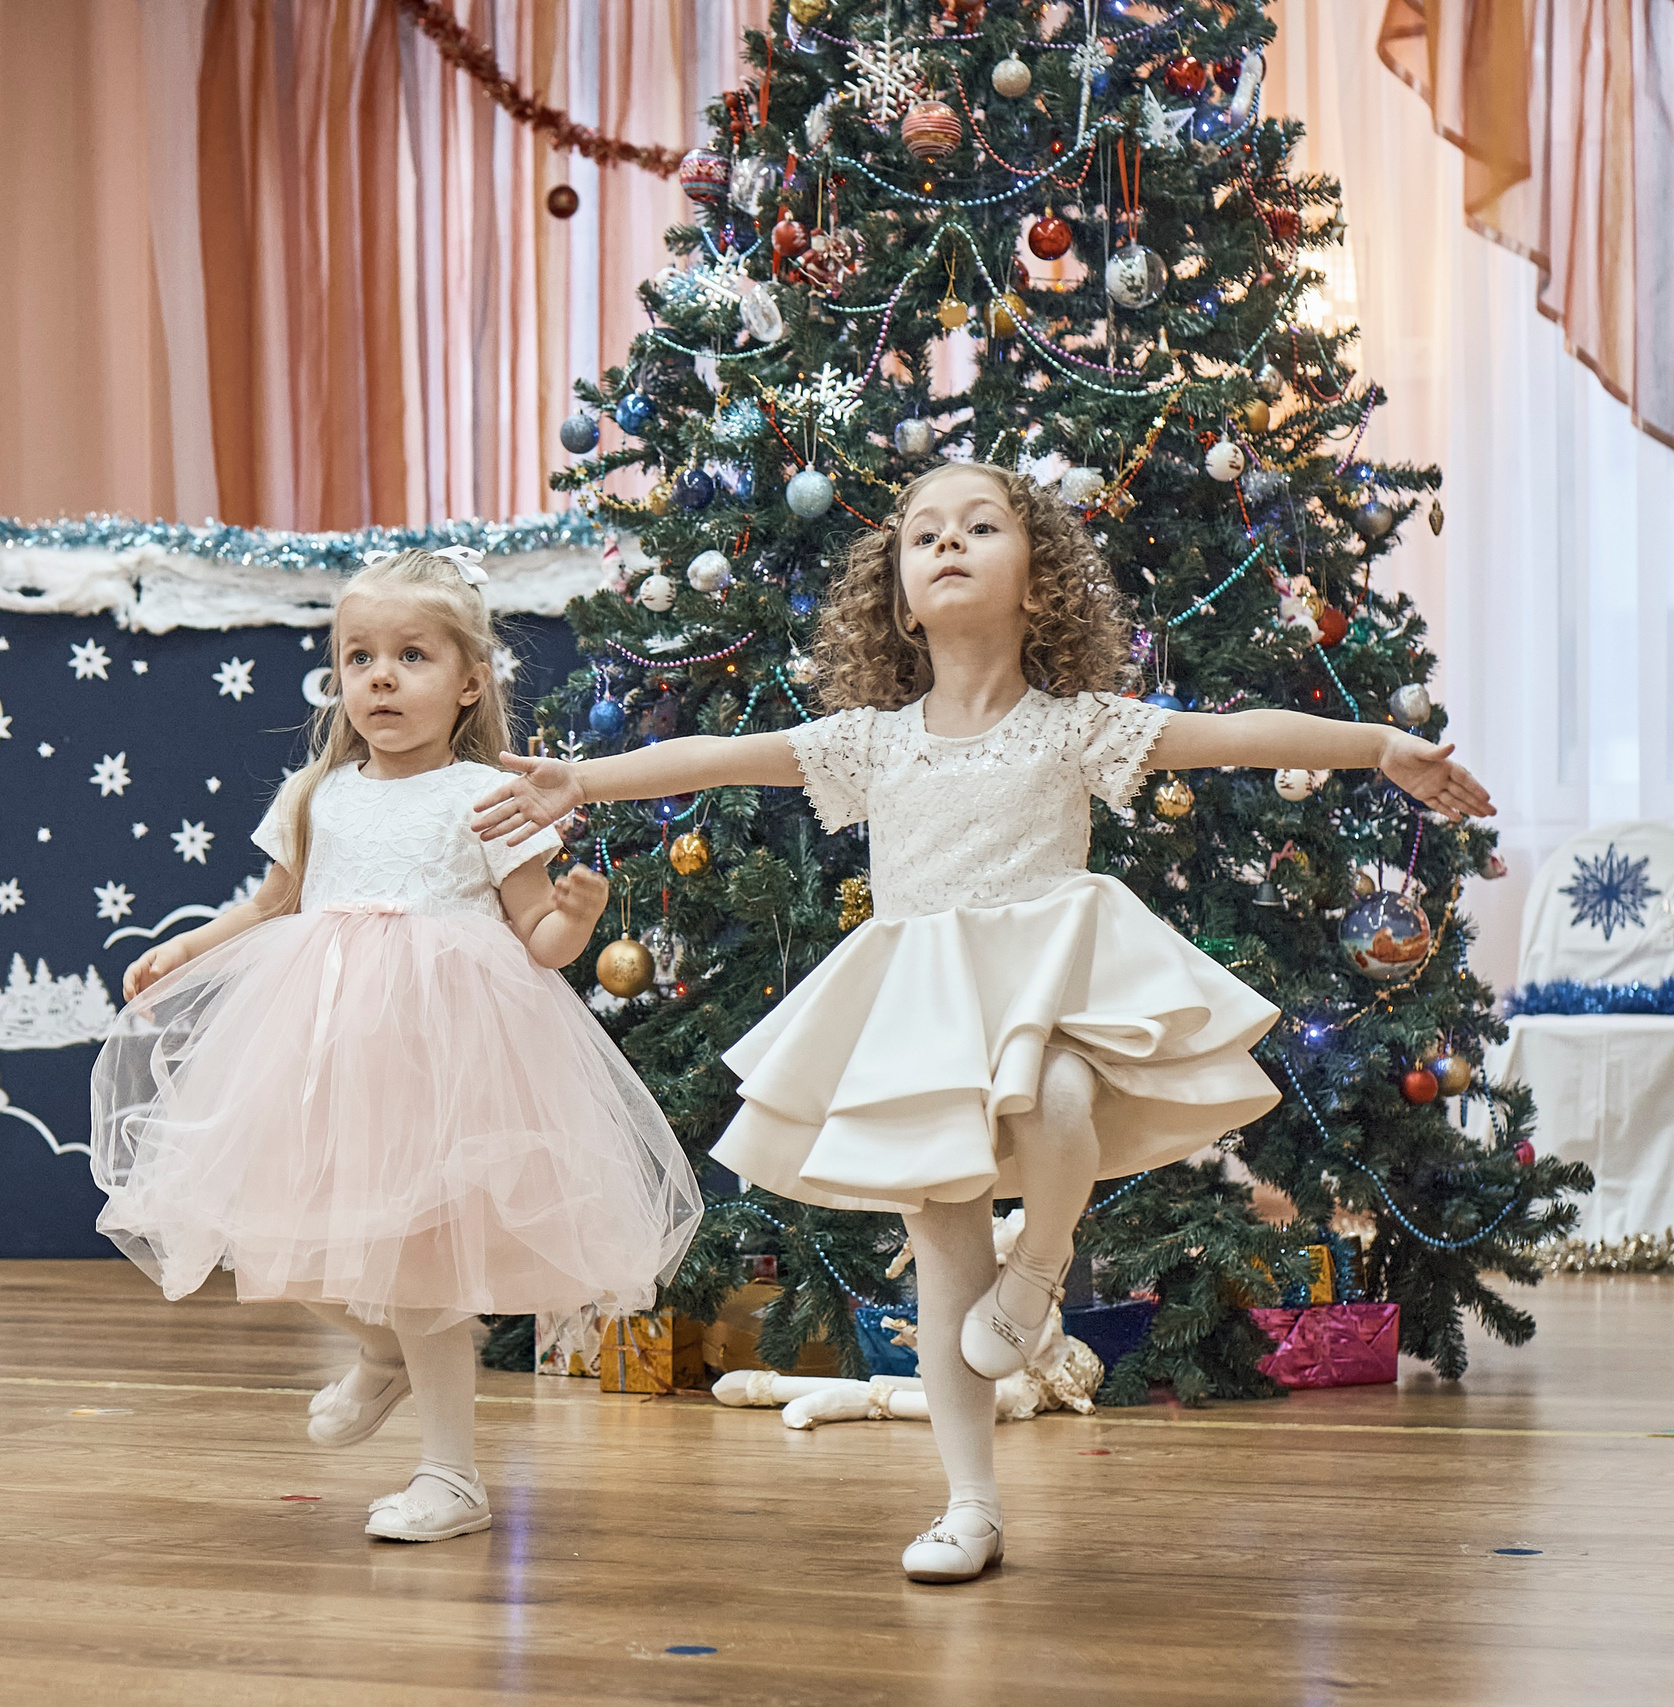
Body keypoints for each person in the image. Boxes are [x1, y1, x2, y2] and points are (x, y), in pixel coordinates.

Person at [473, 461, 1492, 1583]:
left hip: (1043, 992)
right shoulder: (869, 741)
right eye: (924, 536)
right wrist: (586, 779)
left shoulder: (1077, 729)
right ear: (902, 599)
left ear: (1037, 580)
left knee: (1058, 1097)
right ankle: (968, 1505)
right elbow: (717, 760)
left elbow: (1235, 734)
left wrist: (1376, 749)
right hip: (921, 1013)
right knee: (941, 1245)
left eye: (980, 526)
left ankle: (1041, 1265)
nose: (949, 543)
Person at [92, 548, 702, 1543]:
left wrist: (577, 919)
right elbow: (272, 904)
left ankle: (450, 1476)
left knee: (424, 1273)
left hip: (444, 1058)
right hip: (323, 1047)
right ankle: (377, 1357)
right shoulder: (315, 793)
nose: (378, 676)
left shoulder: (488, 796)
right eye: (358, 656)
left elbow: (537, 942)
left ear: (468, 682)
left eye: (411, 656)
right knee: (285, 1243)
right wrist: (191, 946)